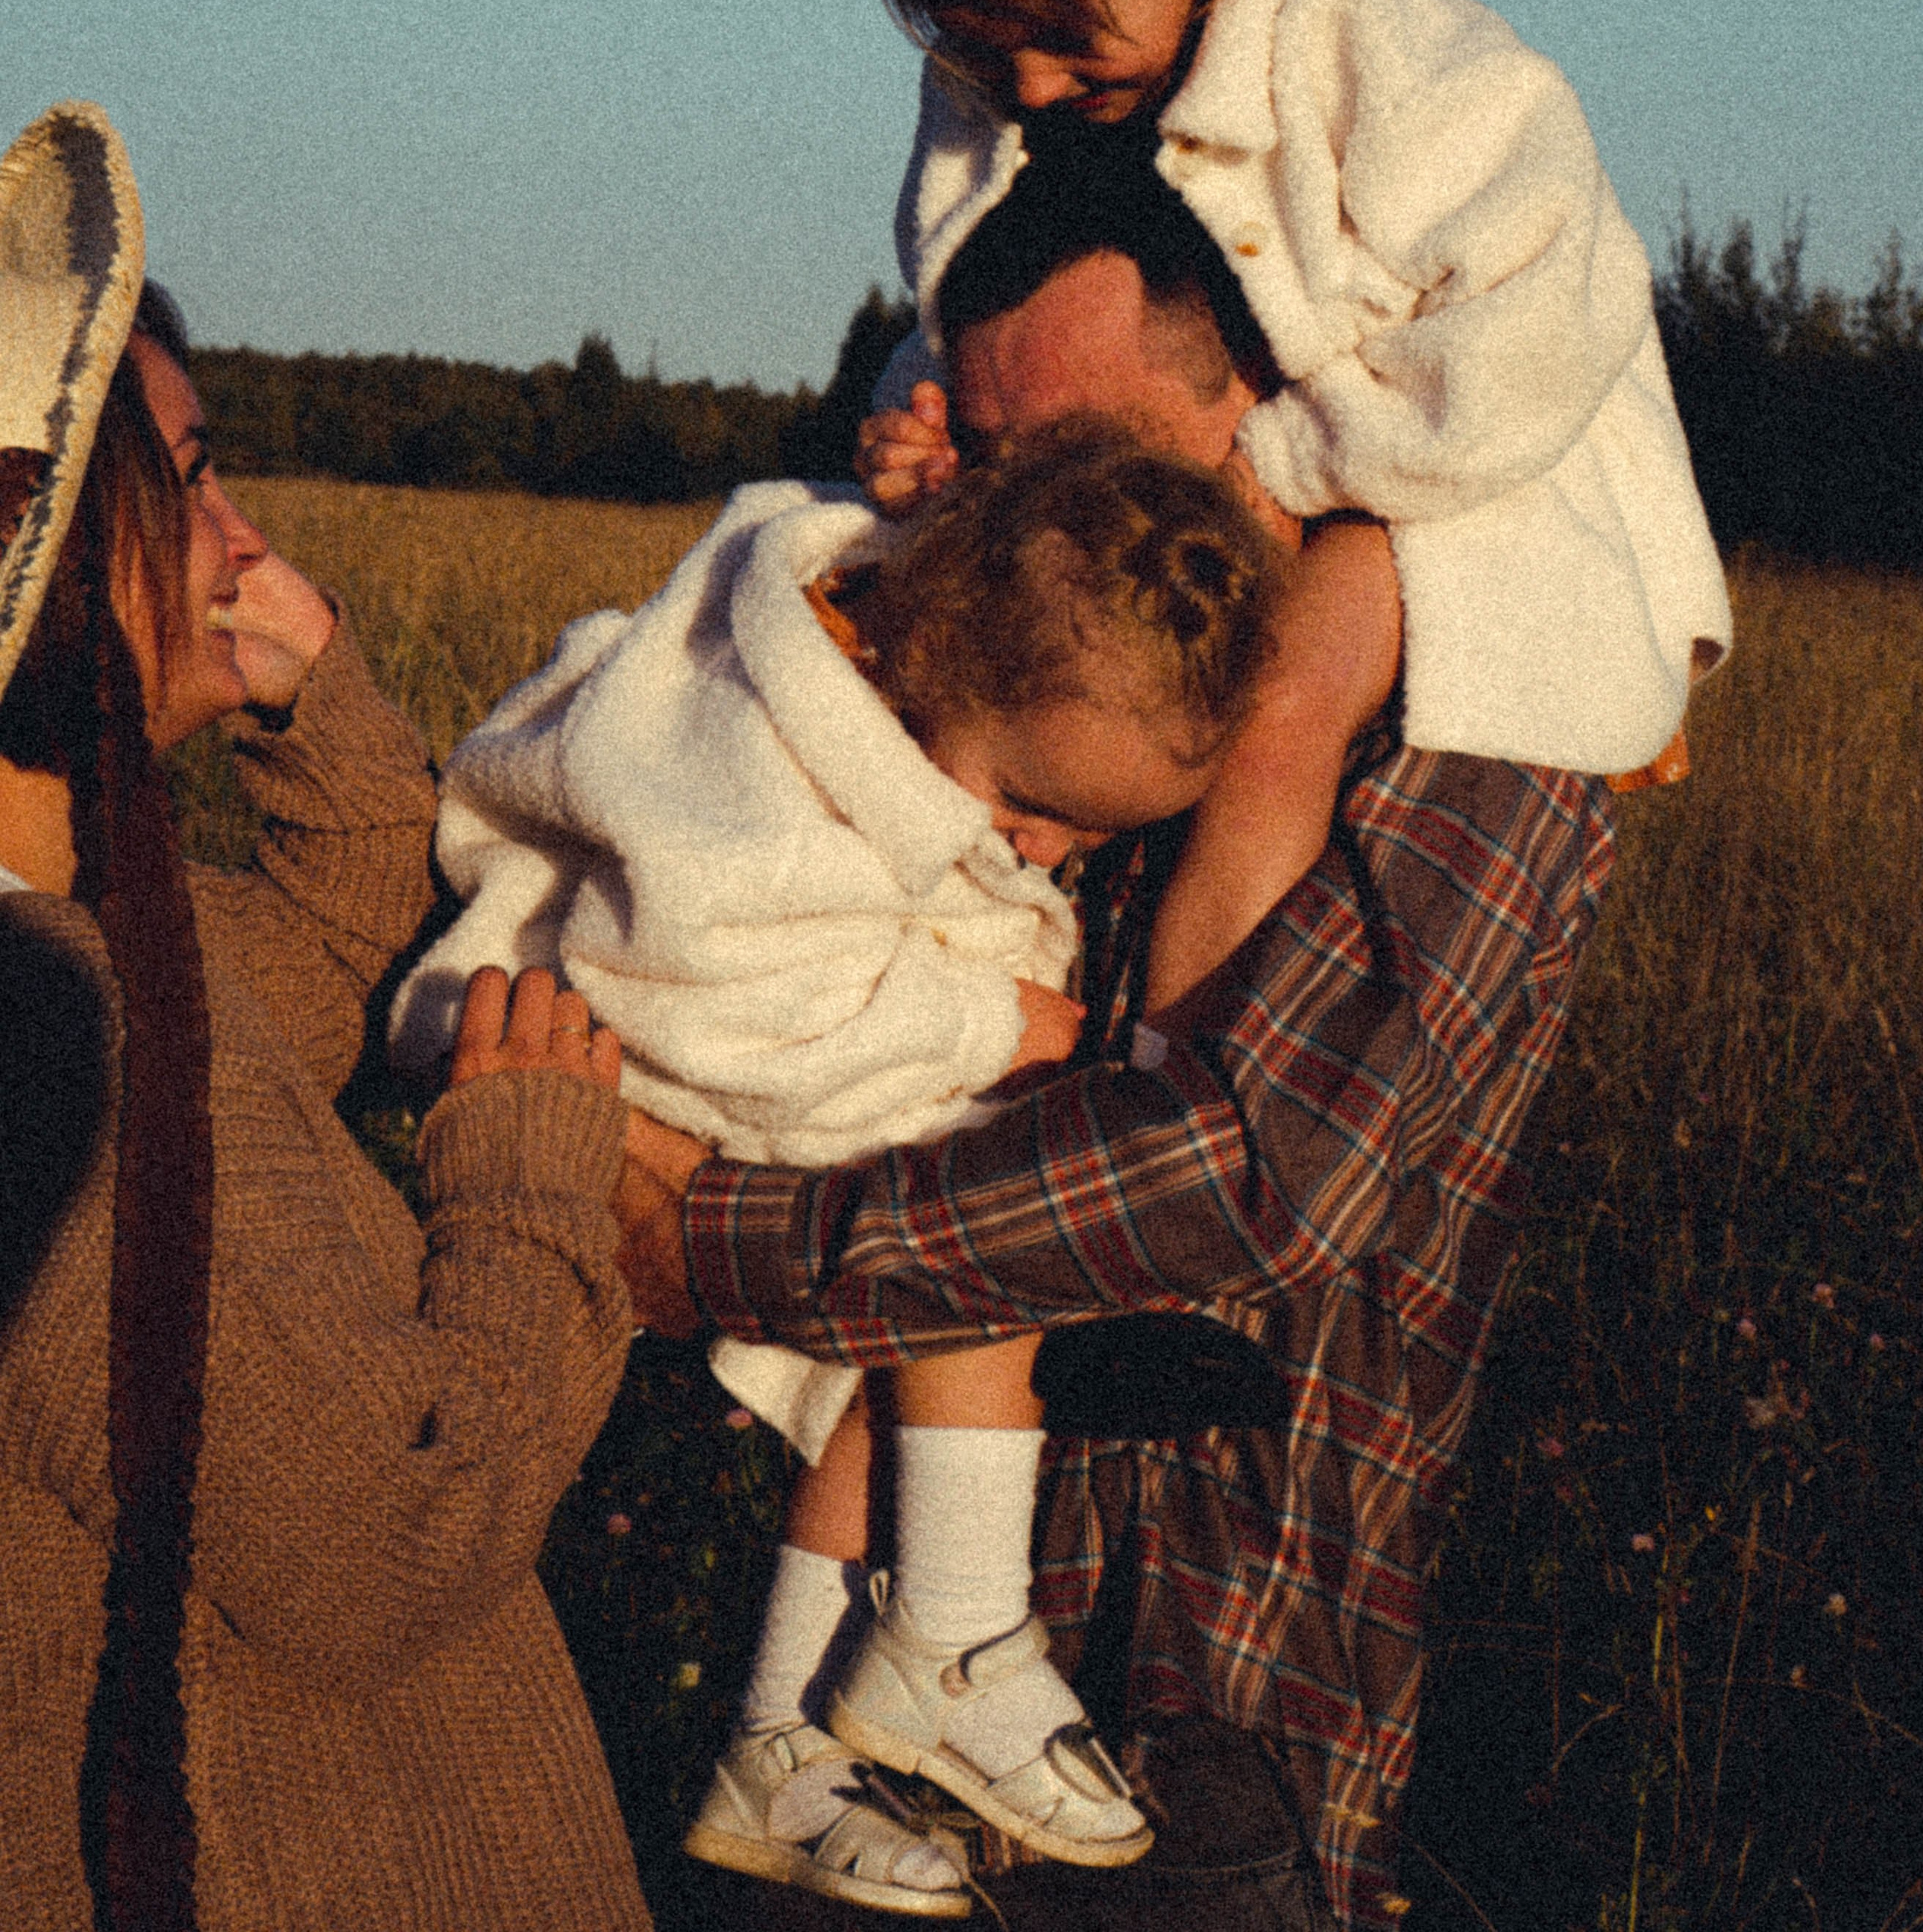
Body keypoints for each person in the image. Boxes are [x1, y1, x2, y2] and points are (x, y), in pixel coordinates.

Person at [610, 203, 1627, 1932]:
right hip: (899, 1631)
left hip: (1204, 1686)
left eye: (1078, 443)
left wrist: (690, 1239)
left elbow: (1247, 1170)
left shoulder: (1471, 689)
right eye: (1000, 446)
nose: (1038, 496)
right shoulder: (1051, 632)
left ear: (1259, 383)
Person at [389, 424, 1282, 1912]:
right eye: (1028, 807)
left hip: (743, 1030)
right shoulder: (757, 769)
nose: (1044, 854)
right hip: (608, 1027)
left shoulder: (934, 647)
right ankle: (949, 1631)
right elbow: (713, 980)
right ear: (938, 663)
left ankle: (778, 1745)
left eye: (1081, 836)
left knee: (910, 1363)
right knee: (976, 1236)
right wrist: (993, 1017)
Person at [856, 0, 1731, 1001]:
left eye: (1062, 44)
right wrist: (928, 417)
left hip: (1467, 477)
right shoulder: (1012, 62)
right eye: (978, 42)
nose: (1022, 87)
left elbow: (1546, 317)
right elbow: (970, 293)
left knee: (1279, 706)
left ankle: (1187, 1061)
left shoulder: (1368, 42)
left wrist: (1294, 466)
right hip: (1233, 480)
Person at [0, 103, 651, 1932]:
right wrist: (527, 1196)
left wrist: (311, 688)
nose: (239, 534)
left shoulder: (97, 939)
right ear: (50, 552)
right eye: (187, 481)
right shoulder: (43, 1045)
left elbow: (332, 943)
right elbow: (388, 1541)